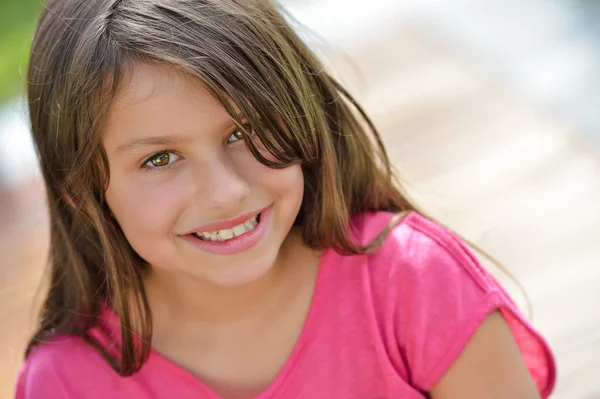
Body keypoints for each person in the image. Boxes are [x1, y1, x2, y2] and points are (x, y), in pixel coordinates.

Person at [15, 0, 556, 398]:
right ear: (82, 191)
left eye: (245, 132)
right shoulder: (66, 384)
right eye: (159, 159)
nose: (226, 190)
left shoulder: (410, 281)